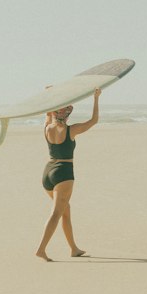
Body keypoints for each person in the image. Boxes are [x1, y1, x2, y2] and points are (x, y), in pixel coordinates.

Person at [35, 89, 101, 260]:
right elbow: (94, 120)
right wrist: (96, 98)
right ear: (68, 115)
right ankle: (41, 249)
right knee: (56, 213)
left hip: (48, 172)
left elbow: (48, 112)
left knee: (65, 210)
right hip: (63, 173)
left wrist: (50, 95)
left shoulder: (47, 127)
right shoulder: (72, 130)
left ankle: (73, 248)